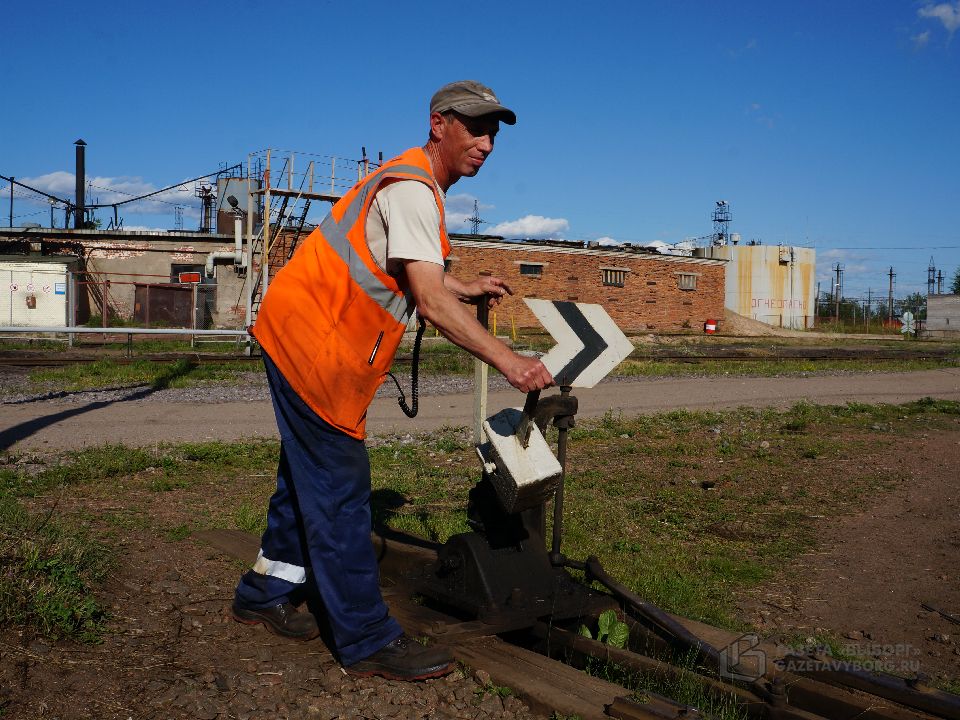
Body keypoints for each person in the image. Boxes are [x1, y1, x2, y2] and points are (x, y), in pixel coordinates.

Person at [231, 80, 554, 681]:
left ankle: (262, 592)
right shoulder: (412, 190)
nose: (485, 143)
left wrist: (464, 285)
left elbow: (407, 269)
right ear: (439, 125)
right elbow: (427, 301)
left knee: (302, 478)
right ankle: (366, 637)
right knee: (341, 491)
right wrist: (510, 362)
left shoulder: (411, 183)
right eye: (474, 128)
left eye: (493, 133)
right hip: (316, 349)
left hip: (296, 332)